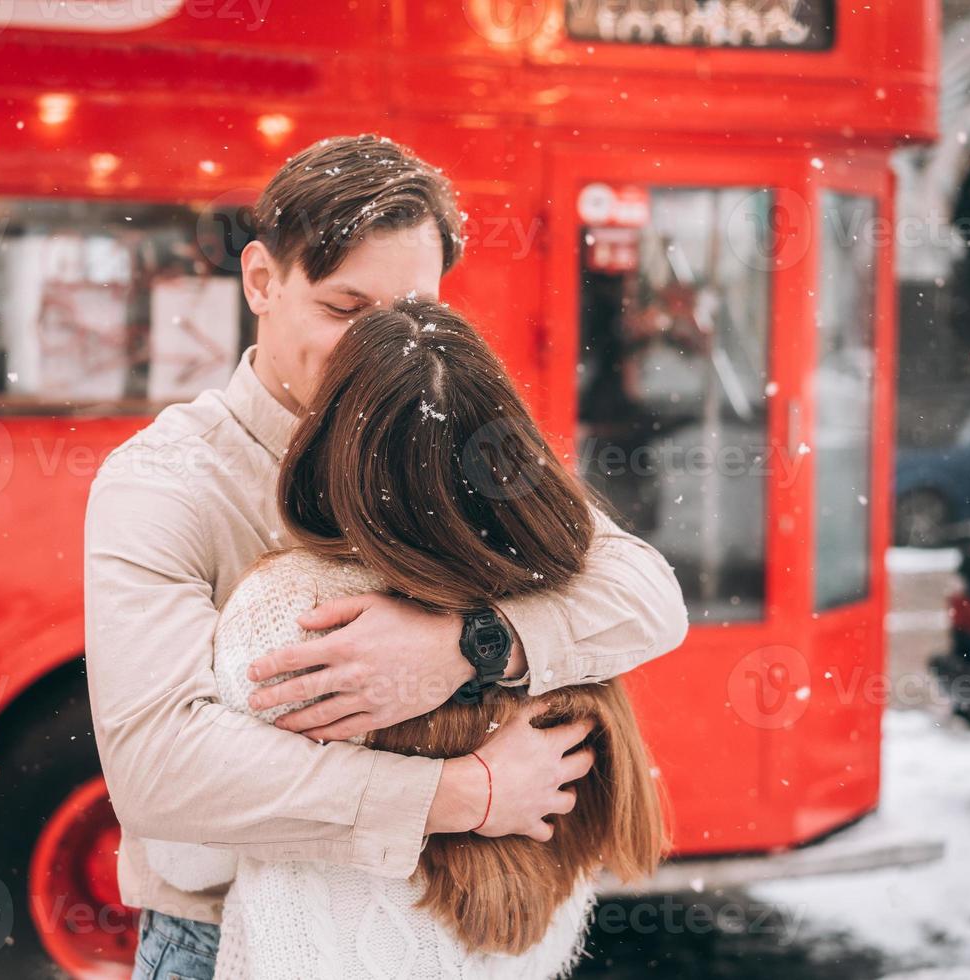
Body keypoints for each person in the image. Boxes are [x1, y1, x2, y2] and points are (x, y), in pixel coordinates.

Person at [83, 134, 688, 980]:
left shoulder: (444, 428)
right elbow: (158, 771)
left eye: (411, 312)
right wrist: (462, 797)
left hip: (455, 933)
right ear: (261, 280)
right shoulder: (164, 482)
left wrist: (467, 646)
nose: (381, 351)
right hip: (230, 943)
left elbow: (646, 593)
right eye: (344, 309)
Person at [148, 299, 666, 978]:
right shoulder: (573, 592)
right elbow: (658, 598)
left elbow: (187, 858)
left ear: (330, 448)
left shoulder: (287, 613)